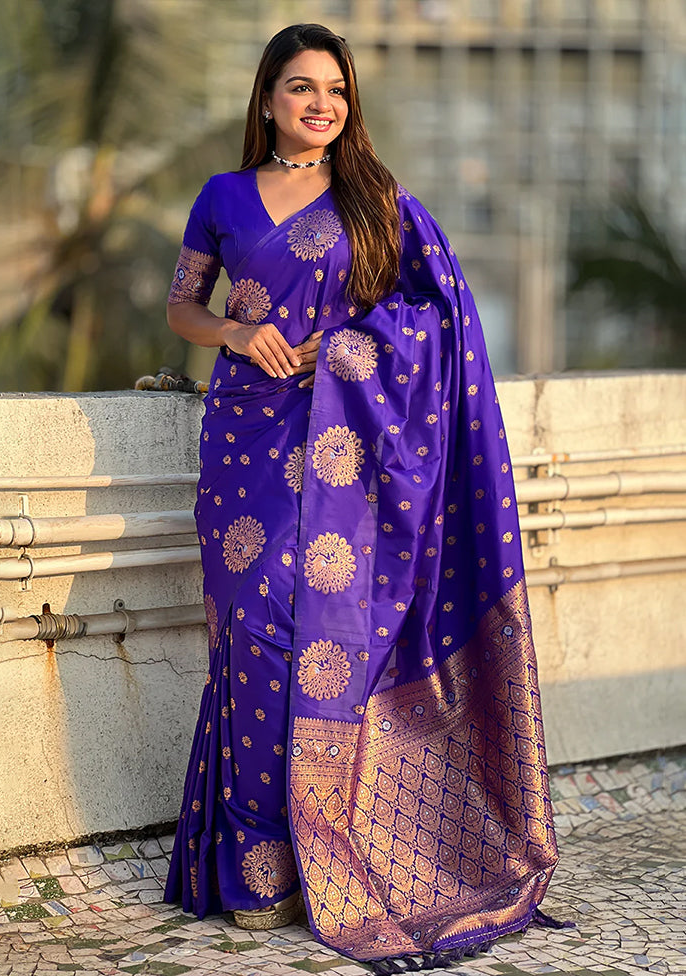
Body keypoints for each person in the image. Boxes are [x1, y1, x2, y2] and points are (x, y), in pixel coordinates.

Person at [163, 22, 561, 973]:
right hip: (245, 440)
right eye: (300, 87)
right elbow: (181, 303)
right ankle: (260, 867)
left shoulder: (376, 200)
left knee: (320, 636)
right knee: (252, 634)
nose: (319, 105)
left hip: (347, 445)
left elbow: (437, 318)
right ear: (267, 100)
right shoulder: (222, 198)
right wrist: (227, 333)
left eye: (335, 90)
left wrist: (347, 351)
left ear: (349, 107)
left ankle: (332, 851)